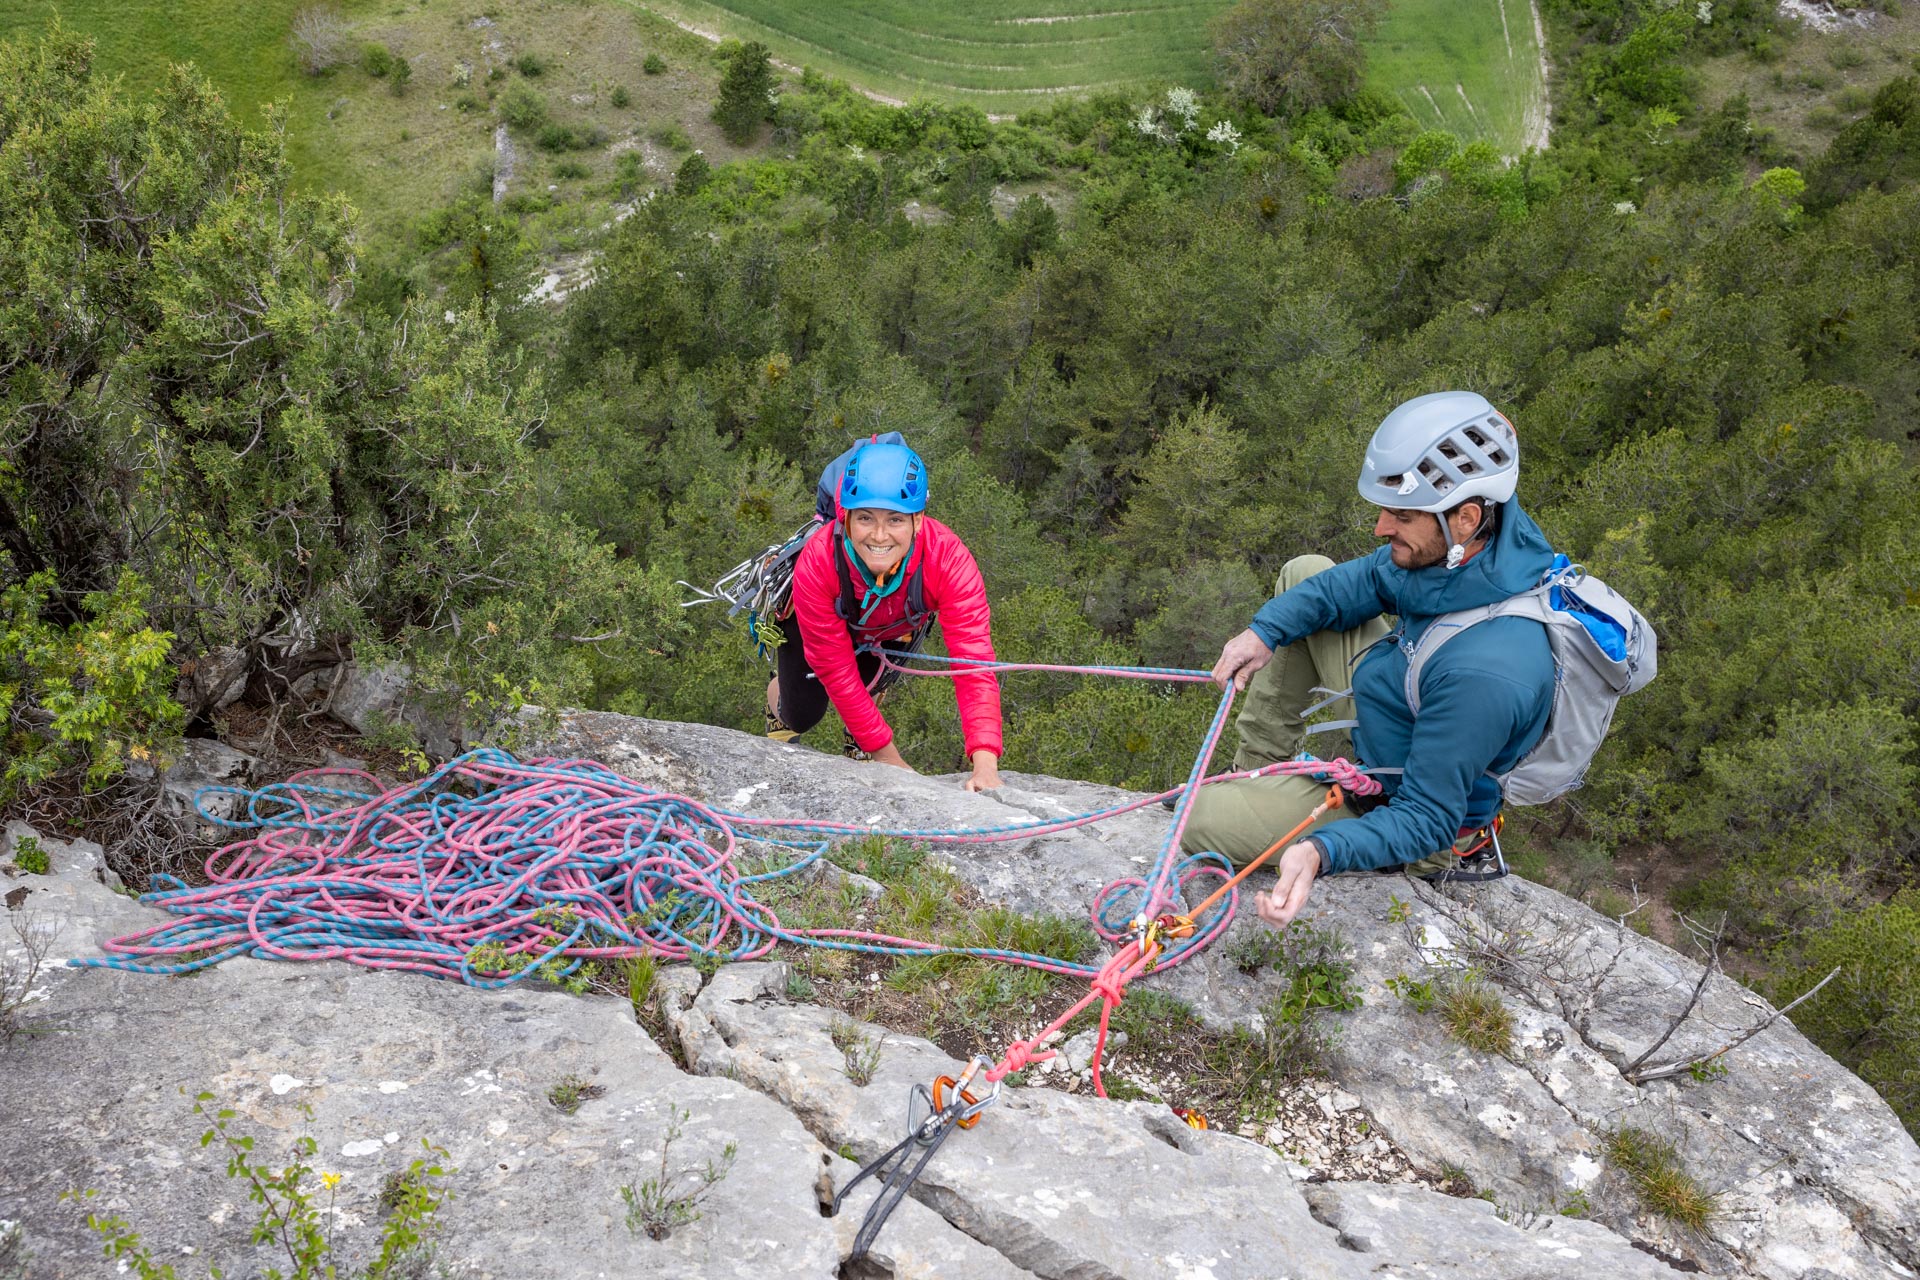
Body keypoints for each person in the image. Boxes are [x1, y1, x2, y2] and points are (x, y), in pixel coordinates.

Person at [1187, 391, 1558, 929]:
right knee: (1307, 575)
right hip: (1405, 698)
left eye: (1402, 515)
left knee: (1198, 818)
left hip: (1409, 809)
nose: (1382, 528)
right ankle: (1253, 773)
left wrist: (1321, 850)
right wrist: (1264, 632)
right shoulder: (1476, 547)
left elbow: (1426, 818)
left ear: (1465, 517)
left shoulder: (1488, 671)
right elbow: (1356, 581)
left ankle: (1262, 806)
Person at [765, 438, 1004, 793]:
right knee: (801, 713)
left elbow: (973, 662)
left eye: (894, 519)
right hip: (822, 623)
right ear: (844, 517)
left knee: (867, 685)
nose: (879, 535)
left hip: (892, 627)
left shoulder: (948, 560)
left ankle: (862, 724)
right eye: (865, 518)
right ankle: (779, 699)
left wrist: (985, 763)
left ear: (918, 520)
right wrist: (888, 757)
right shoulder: (819, 560)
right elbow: (833, 665)